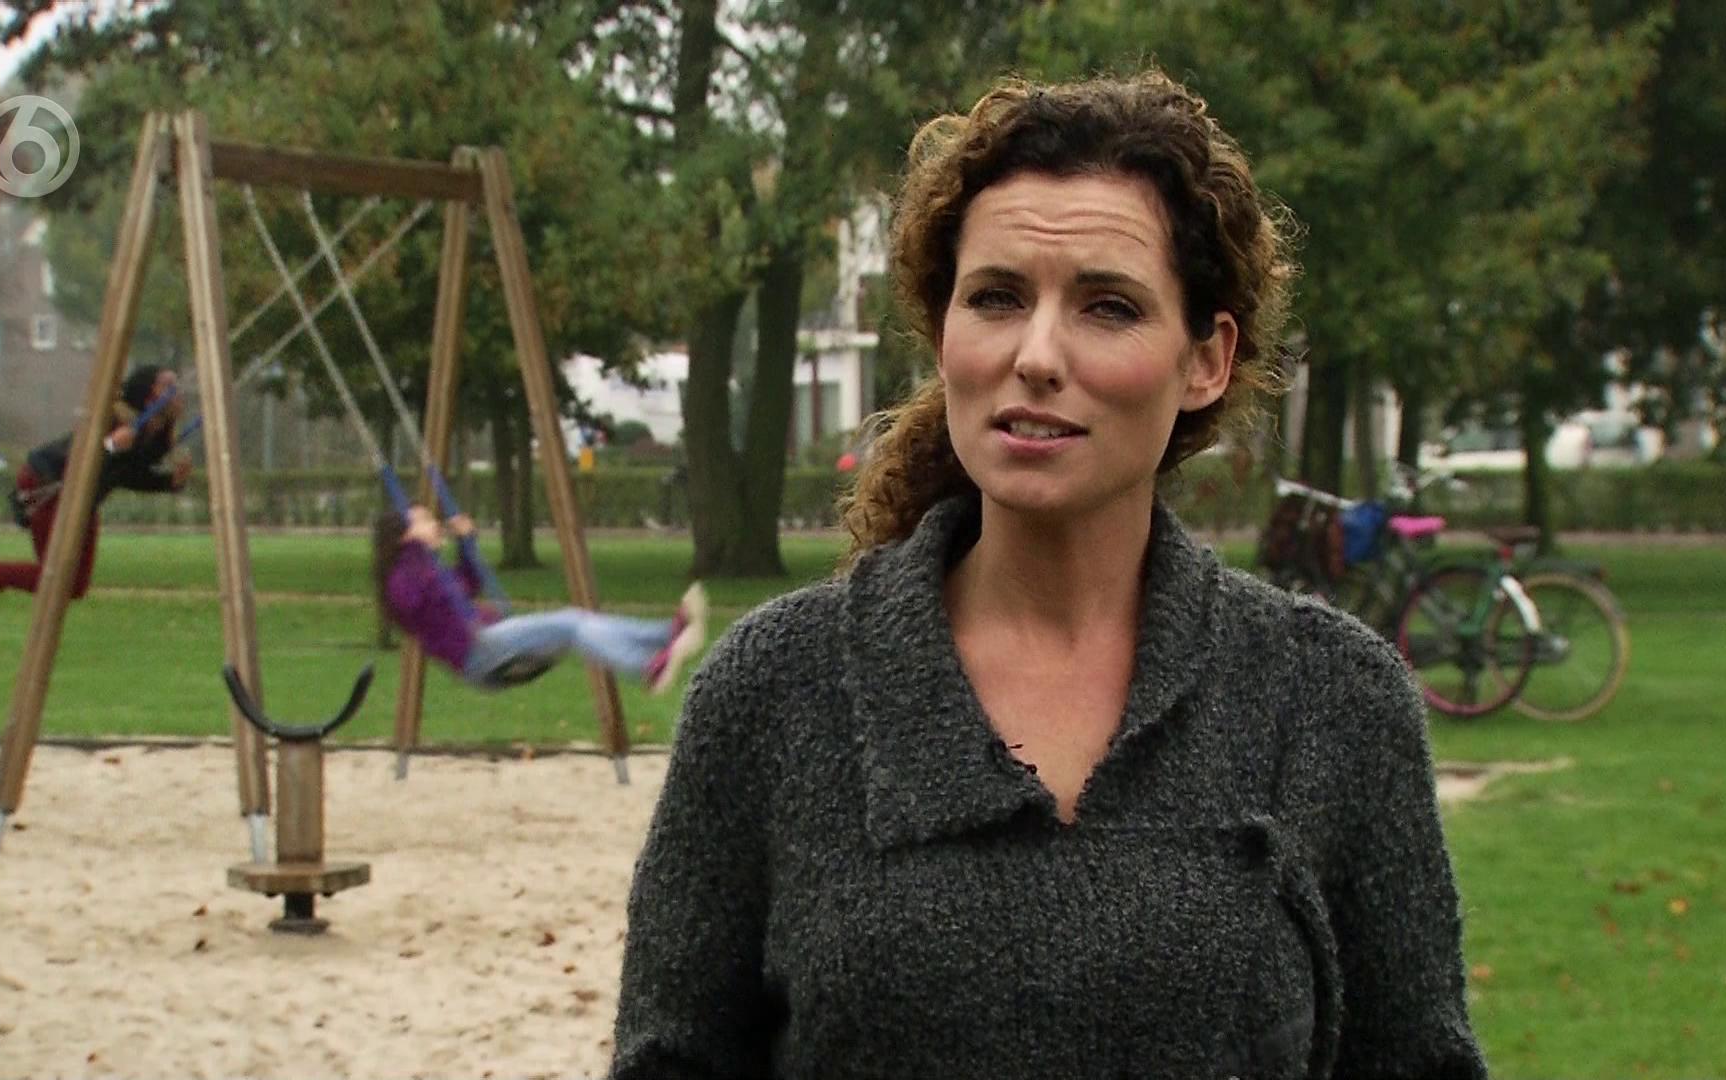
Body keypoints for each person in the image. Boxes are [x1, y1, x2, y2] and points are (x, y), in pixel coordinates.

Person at [610, 71, 1487, 1078]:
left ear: (1205, 358)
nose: (1036, 354)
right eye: (996, 297)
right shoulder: (775, 689)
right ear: (943, 329)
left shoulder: (1332, 702)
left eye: (1108, 306)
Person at [0, 365, 193, 614]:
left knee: (76, 585)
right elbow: (77, 459)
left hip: (83, 499)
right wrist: (109, 447)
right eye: (167, 385)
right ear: (148, 396)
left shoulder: (154, 435)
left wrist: (169, 482)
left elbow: (125, 475)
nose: (177, 392)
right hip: (47, 483)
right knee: (56, 577)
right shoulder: (112, 420)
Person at [373, 504, 708, 693]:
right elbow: (412, 600)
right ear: (404, 536)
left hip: (487, 640)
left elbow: (465, 586)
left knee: (577, 621)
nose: (436, 524)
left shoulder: (425, 568)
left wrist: (466, 544)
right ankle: (646, 667)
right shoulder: (401, 577)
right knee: (571, 624)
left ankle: (666, 634)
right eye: (424, 521)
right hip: (477, 652)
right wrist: (418, 549)